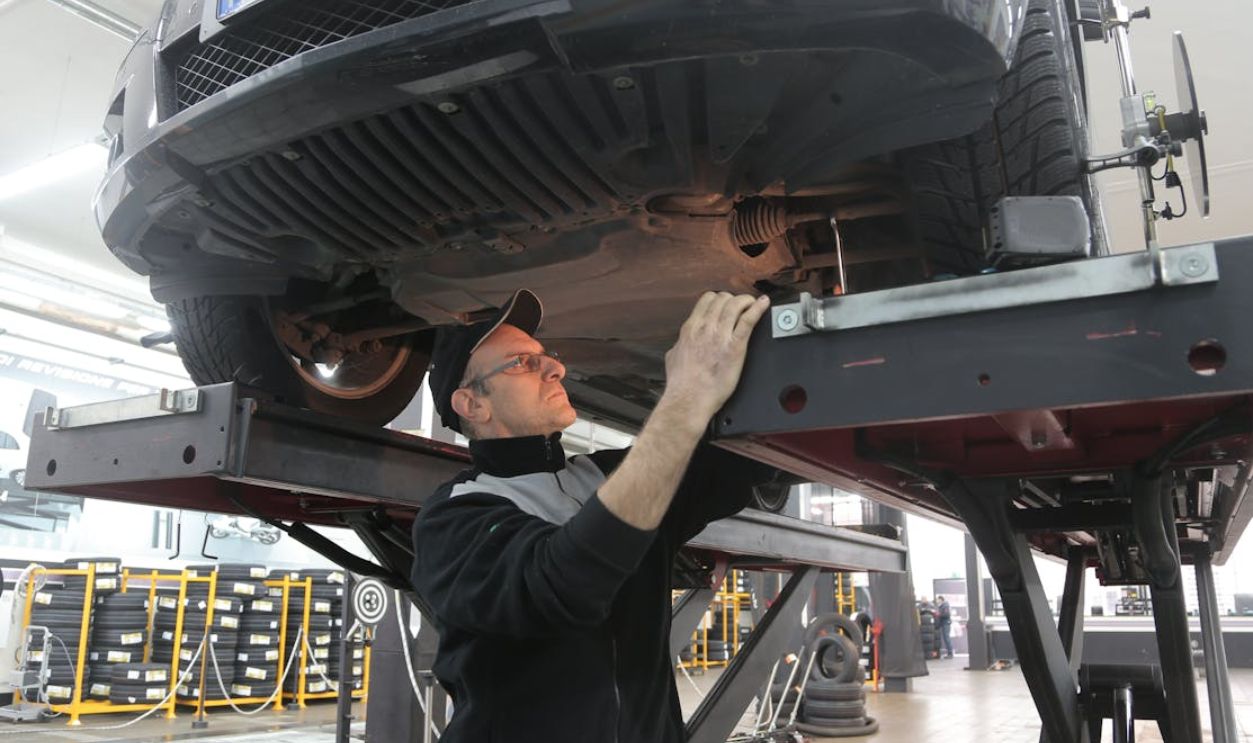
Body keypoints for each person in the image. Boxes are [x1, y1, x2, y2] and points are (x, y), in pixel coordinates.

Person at [409, 288, 796, 743]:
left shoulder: (605, 475)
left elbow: (749, 458)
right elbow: (563, 584)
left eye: (544, 356)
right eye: (522, 363)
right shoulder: (455, 518)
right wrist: (686, 397)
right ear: (472, 404)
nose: (556, 368)